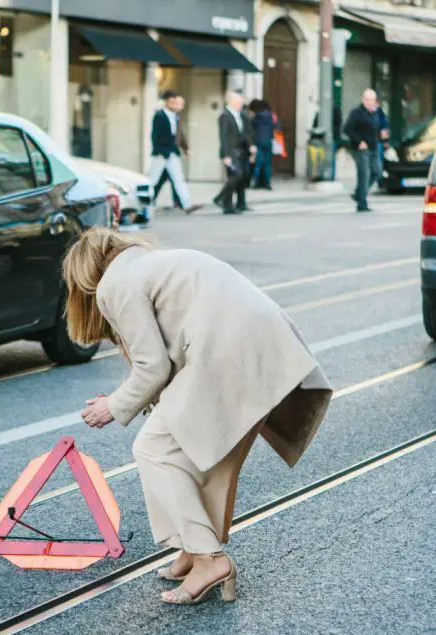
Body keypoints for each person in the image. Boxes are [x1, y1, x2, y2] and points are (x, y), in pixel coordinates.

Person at [64, 228, 332, 605]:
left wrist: (113, 406)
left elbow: (152, 366)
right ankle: (193, 550)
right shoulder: (151, 263)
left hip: (228, 350)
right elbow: (170, 359)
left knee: (153, 449)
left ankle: (209, 559)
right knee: (202, 458)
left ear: (83, 276)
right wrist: (130, 399)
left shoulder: (114, 284)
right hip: (264, 343)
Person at [148, 91, 200, 214]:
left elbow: (179, 135)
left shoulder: (175, 117)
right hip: (161, 154)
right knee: (152, 181)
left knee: (179, 180)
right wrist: (160, 150)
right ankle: (144, 206)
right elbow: (155, 136)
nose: (174, 104)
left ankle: (187, 205)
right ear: (166, 102)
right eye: (171, 102)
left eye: (174, 102)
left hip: (172, 153)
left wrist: (185, 147)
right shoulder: (159, 116)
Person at [214, 91, 256, 215]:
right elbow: (224, 136)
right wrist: (226, 155)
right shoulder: (225, 116)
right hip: (230, 151)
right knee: (236, 175)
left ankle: (239, 204)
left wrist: (251, 147)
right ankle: (221, 199)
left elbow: (246, 133)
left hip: (242, 151)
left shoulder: (242, 115)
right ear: (232, 102)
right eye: (239, 103)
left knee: (243, 176)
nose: (241, 105)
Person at [344, 89, 380, 212]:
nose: (370, 102)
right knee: (364, 174)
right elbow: (347, 128)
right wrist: (359, 141)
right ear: (363, 99)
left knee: (377, 172)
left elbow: (380, 126)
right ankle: (362, 204)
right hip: (361, 148)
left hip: (374, 147)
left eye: (372, 100)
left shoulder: (375, 113)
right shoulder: (356, 112)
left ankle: (359, 194)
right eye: (368, 99)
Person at [251, 99, 277, 190]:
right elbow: (276, 127)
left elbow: (252, 128)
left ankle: (257, 183)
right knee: (268, 164)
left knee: (258, 163)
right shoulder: (272, 116)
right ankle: (267, 184)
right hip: (268, 141)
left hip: (258, 141)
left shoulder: (256, 117)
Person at [372, 100, 390, 189]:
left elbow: (384, 128)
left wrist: (385, 141)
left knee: (379, 163)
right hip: (372, 142)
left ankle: (380, 181)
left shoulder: (379, 112)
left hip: (377, 141)